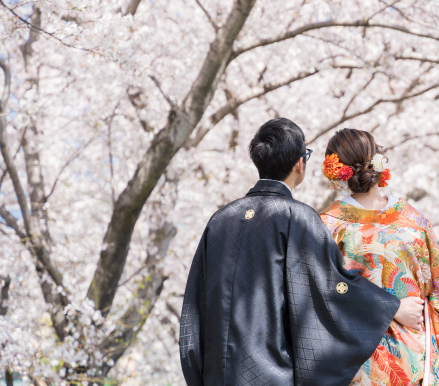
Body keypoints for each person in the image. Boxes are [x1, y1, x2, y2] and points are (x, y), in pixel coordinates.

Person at [179, 118, 425, 386]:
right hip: (273, 375)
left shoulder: (220, 219)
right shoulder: (297, 217)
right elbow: (331, 288)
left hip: (217, 375)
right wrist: (392, 307)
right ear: (299, 163)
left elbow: (195, 303)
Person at [320, 128, 439, 386]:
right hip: (419, 349)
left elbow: (324, 291)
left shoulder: (330, 225)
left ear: (335, 170)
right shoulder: (413, 220)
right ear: (379, 160)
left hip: (360, 356)